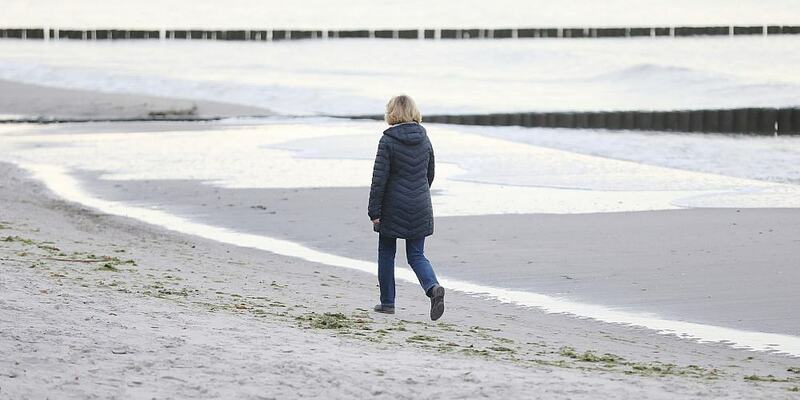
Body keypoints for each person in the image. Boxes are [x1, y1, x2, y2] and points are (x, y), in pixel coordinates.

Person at [368, 94, 445, 321]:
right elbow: (430, 174)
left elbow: (379, 179)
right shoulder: (424, 138)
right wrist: (419, 194)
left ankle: (387, 303)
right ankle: (433, 288)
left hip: (392, 206)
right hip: (420, 204)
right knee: (416, 255)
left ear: (392, 113)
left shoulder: (387, 140)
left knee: (386, 253)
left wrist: (374, 211)